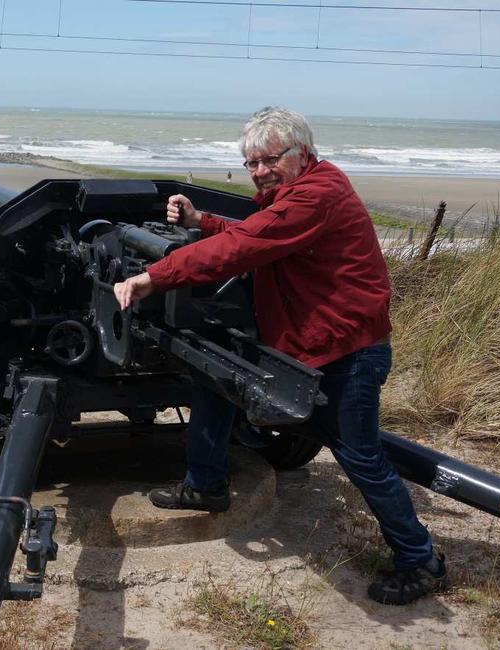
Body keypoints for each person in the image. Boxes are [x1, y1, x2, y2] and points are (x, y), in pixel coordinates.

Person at [112, 106, 447, 606]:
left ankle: (421, 560)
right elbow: (261, 232)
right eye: (251, 164)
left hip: (347, 350)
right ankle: (205, 484)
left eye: (270, 160)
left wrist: (153, 277)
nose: (260, 171)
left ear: (302, 152)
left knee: (361, 456)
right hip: (308, 341)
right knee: (215, 378)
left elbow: (251, 242)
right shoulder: (297, 191)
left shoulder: (319, 193)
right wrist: (203, 221)